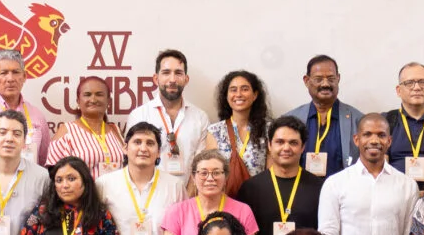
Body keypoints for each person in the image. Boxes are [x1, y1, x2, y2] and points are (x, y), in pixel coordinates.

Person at [317, 112, 421, 235]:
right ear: (356, 139)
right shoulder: (335, 183)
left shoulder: (407, 185)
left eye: (381, 135)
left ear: (389, 141)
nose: (374, 140)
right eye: (367, 134)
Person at [237, 117, 323, 235]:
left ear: (303, 147)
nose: (286, 148)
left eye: (293, 143)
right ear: (269, 145)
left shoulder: (319, 188)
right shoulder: (250, 189)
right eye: (280, 142)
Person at [96, 123, 177, 235]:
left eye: (150, 143)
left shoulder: (175, 186)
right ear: (125, 148)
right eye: (137, 142)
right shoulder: (104, 184)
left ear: (159, 152)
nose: (143, 148)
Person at [161, 149, 259, 235]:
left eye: (216, 173)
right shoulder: (177, 212)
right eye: (203, 173)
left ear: (226, 177)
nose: (210, 178)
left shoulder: (243, 211)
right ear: (193, 177)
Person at [125, 49, 207, 182]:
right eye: (166, 73)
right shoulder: (139, 115)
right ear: (156, 79)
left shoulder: (200, 117)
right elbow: (133, 161)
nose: (172, 79)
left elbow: (201, 164)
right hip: (150, 192)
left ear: (186, 79)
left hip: (188, 193)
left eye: (178, 73)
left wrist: (188, 194)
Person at [282, 54, 364, 178]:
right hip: (299, 187)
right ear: (306, 81)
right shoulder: (289, 120)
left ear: (338, 79)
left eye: (331, 78)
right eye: (318, 79)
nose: (325, 84)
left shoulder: (358, 120)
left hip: (342, 188)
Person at [196, 69, 270, 191]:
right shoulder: (215, 131)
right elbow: (209, 170)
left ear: (255, 95)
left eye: (245, 89)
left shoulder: (268, 129)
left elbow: (272, 172)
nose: (239, 94)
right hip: (224, 197)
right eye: (233, 90)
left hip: (258, 196)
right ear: (226, 96)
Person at [46, 75, 127, 178]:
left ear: (108, 101)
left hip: (114, 188)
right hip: (83, 189)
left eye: (99, 94)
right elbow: (54, 174)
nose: (93, 99)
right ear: (78, 101)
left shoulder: (115, 130)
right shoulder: (66, 131)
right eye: (87, 95)